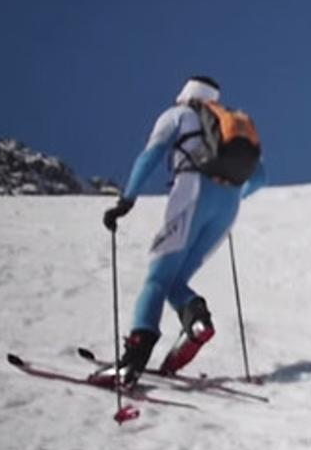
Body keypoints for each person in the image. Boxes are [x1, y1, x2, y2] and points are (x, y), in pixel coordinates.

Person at [96, 75, 266, 387]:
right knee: (175, 280)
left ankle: (133, 359)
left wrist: (126, 200)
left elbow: (150, 155)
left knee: (157, 278)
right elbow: (260, 178)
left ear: (185, 93)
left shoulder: (178, 115)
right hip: (228, 207)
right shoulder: (230, 126)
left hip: (190, 194)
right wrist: (226, 190)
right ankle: (197, 323)